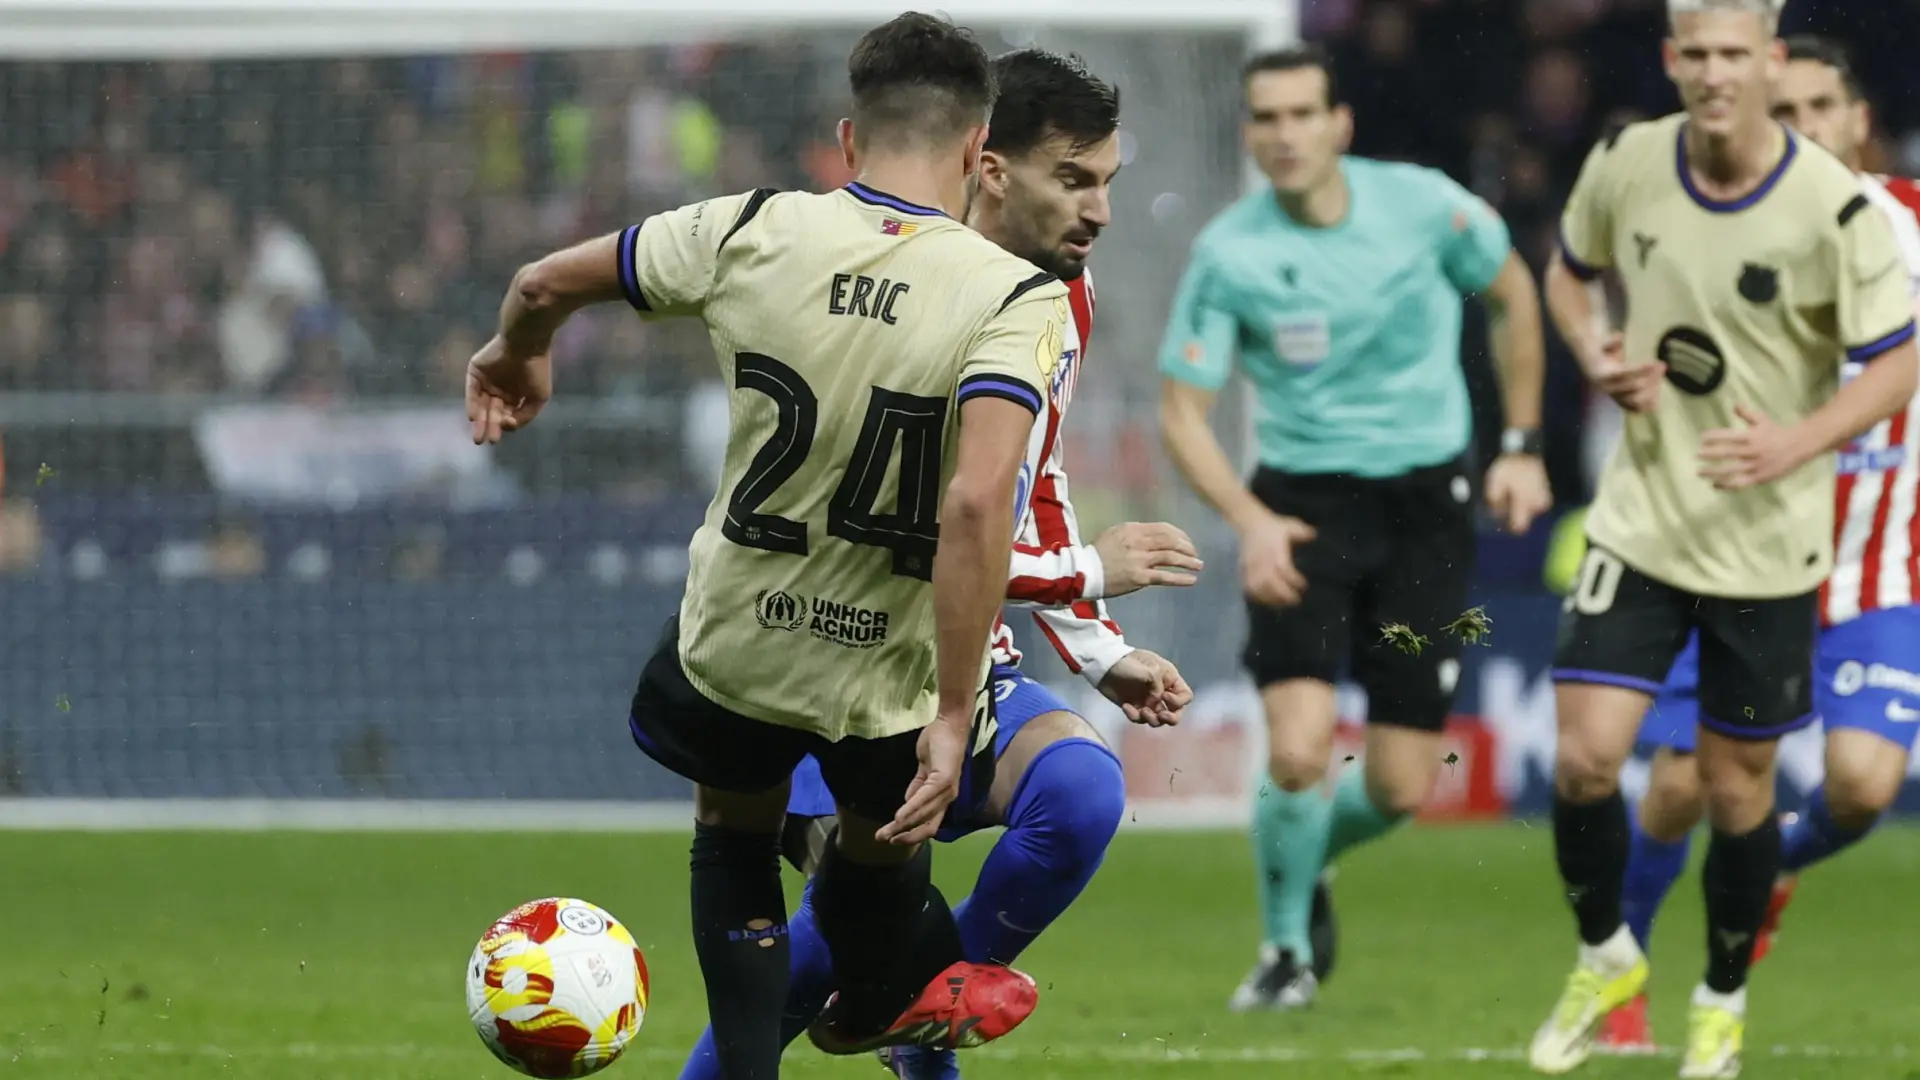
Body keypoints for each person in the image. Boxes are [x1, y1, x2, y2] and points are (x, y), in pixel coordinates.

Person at [465, 13, 1072, 1076]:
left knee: (734, 829)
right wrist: (953, 708)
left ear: (848, 139)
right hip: (883, 672)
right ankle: (883, 994)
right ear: (981, 155)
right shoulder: (1012, 295)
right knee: (888, 877)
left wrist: (519, 355)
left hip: (738, 643)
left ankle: (768, 1047)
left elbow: (537, 284)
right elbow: (979, 505)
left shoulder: (751, 226)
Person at [676, 48, 1199, 1080]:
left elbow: (1028, 485)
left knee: (1082, 796)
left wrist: (1095, 651)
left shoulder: (1055, 296)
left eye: (1108, 184)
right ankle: (890, 992)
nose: (1098, 210)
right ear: (989, 166)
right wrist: (1090, 570)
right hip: (832, 668)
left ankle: (911, 994)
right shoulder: (900, 287)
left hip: (956, 667)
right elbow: (911, 536)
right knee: (836, 938)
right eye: (1074, 180)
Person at [1530, 1, 1920, 1075]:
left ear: (1851, 112)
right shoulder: (1633, 164)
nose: (1723, 79)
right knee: (1603, 767)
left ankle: (1724, 975)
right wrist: (1594, 348)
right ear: (1672, 62)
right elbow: (1569, 269)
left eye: (1802, 97)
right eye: (1696, 56)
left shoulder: (1855, 217)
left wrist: (1799, 440)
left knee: (1826, 789)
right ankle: (1613, 958)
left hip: (1832, 556)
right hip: (1654, 525)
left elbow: (1896, 362)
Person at [1155, 42, 1552, 1011]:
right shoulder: (1231, 253)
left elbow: (1511, 293)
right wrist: (1249, 520)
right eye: (1267, 119)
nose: (1284, 136)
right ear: (1248, 132)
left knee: (1404, 785)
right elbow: (1180, 414)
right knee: (1294, 749)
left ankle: (1307, 859)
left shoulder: (1424, 206)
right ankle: (1285, 950)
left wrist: (1522, 441)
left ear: (1340, 125)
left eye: (1302, 115)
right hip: (1300, 510)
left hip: (1426, 507)